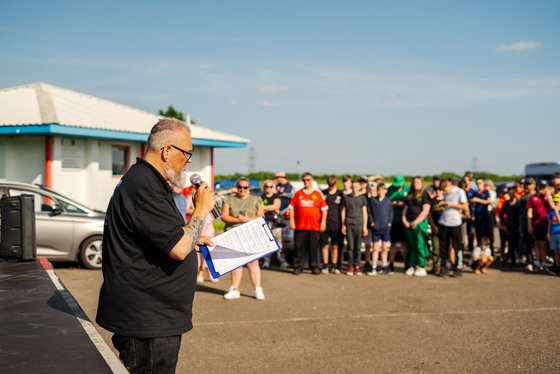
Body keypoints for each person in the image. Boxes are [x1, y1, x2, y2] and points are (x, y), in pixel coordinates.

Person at [96, 118, 216, 374]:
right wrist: (201, 210)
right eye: (187, 153)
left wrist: (195, 238)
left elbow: (158, 238)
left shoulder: (147, 182)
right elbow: (177, 248)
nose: (190, 160)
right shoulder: (145, 186)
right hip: (148, 321)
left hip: (154, 316)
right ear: (167, 151)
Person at [221, 177, 265, 299]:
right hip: (233, 233)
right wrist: (237, 220)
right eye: (240, 187)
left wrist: (246, 220)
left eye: (245, 187)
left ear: (248, 188)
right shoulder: (229, 199)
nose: (242, 189)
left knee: (253, 262)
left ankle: (257, 288)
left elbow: (261, 216)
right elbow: (224, 216)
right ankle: (235, 289)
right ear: (237, 187)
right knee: (236, 263)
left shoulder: (256, 199)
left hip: (251, 233)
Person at [289, 172, 328, 275]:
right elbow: (291, 208)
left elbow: (324, 209)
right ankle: (298, 266)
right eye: (304, 180)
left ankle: (314, 266)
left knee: (313, 248)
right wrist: (291, 221)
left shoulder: (318, 193)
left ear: (312, 180)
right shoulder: (298, 193)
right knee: (299, 248)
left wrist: (323, 222)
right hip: (300, 226)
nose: (306, 182)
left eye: (308, 180)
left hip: (314, 226)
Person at [438, 179, 469, 277]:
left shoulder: (459, 191)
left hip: (455, 222)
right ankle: (444, 267)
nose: (444, 192)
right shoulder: (444, 193)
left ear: (449, 185)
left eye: (445, 190)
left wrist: (452, 204)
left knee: (457, 246)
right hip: (443, 222)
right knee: (443, 247)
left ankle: (458, 267)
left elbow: (465, 207)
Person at [402, 176, 431, 277]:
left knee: (420, 244)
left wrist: (416, 221)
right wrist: (404, 220)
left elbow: (425, 210)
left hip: (419, 224)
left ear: (422, 183)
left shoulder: (424, 195)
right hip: (409, 223)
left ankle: (421, 265)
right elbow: (405, 209)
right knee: (411, 245)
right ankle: (412, 265)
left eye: (417, 182)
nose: (415, 184)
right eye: (414, 182)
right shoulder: (410, 195)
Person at [186, 191, 217, 283]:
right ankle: (199, 272)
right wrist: (199, 210)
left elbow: (214, 212)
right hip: (198, 226)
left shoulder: (209, 198)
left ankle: (210, 272)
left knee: (209, 250)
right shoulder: (190, 198)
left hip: (208, 227)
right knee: (198, 251)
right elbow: (186, 210)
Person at [341, 178, 368, 275]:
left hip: (359, 224)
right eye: (353, 187)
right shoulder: (346, 198)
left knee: (358, 247)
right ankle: (350, 266)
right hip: (349, 224)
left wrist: (365, 227)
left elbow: (365, 213)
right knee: (350, 247)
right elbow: (343, 211)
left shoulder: (362, 198)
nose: (354, 189)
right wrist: (343, 225)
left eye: (356, 187)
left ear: (360, 187)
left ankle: (357, 266)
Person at [261, 179, 290, 269]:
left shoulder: (276, 196)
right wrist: (270, 208)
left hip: (276, 223)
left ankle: (282, 261)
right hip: (265, 222)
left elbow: (276, 206)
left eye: (271, 186)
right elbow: (260, 208)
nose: (268, 188)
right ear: (264, 187)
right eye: (267, 186)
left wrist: (264, 208)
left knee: (279, 243)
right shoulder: (261, 197)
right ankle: (266, 262)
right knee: (266, 243)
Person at [527, 180, 553, 273]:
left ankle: (544, 263)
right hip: (536, 224)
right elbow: (529, 211)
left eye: (543, 187)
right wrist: (529, 225)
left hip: (546, 224)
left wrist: (548, 194)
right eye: (540, 186)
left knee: (544, 244)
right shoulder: (533, 198)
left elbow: (553, 207)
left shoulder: (549, 197)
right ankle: (538, 263)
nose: (541, 189)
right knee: (537, 244)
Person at [367, 183, 393, 275]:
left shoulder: (388, 201)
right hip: (376, 228)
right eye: (378, 190)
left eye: (382, 190)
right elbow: (369, 212)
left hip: (385, 228)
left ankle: (384, 265)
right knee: (375, 247)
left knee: (385, 248)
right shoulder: (373, 201)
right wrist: (372, 223)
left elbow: (391, 212)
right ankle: (374, 265)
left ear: (385, 191)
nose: (380, 192)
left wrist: (389, 223)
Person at [321, 175, 344, 274]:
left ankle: (334, 266)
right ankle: (325, 265)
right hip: (325, 223)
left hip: (336, 224)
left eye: (332, 185)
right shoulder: (323, 193)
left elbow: (343, 209)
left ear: (335, 183)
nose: (330, 187)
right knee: (325, 245)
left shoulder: (340, 194)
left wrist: (343, 224)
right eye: (329, 185)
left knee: (335, 246)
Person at [387, 174, 410, 273]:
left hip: (404, 220)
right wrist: (393, 204)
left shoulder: (408, 189)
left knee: (404, 244)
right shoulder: (389, 189)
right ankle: (391, 263)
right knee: (393, 243)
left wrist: (403, 204)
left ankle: (406, 263)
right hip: (393, 220)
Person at [499, 187, 521, 266]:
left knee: (515, 243)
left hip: (517, 226)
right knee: (510, 243)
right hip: (508, 226)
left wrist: (520, 226)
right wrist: (503, 224)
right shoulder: (506, 203)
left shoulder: (519, 203)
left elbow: (520, 215)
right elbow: (502, 214)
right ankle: (512, 259)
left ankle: (507, 257)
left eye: (512, 193)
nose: (511, 195)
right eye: (509, 193)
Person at [519, 178, 536, 271]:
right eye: (526, 184)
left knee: (537, 244)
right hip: (525, 223)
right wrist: (521, 224)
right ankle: (529, 261)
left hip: (537, 223)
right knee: (527, 244)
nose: (527, 186)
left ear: (534, 185)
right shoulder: (523, 197)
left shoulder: (538, 196)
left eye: (529, 184)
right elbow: (521, 212)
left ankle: (539, 261)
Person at [471, 178, 492, 251]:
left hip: (484, 215)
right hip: (477, 216)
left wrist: (478, 200)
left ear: (483, 183)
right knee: (478, 234)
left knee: (487, 233)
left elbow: (488, 201)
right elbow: (473, 204)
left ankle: (490, 250)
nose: (478, 185)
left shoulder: (486, 192)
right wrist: (473, 202)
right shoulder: (475, 193)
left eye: (480, 183)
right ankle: (480, 250)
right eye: (477, 183)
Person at [548, 193, 560, 273]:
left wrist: (557, 212)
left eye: (557, 202)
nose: (556, 203)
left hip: (559, 233)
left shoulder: (555, 211)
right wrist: (548, 233)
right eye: (555, 202)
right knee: (555, 251)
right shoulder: (551, 212)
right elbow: (549, 223)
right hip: (552, 233)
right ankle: (558, 267)